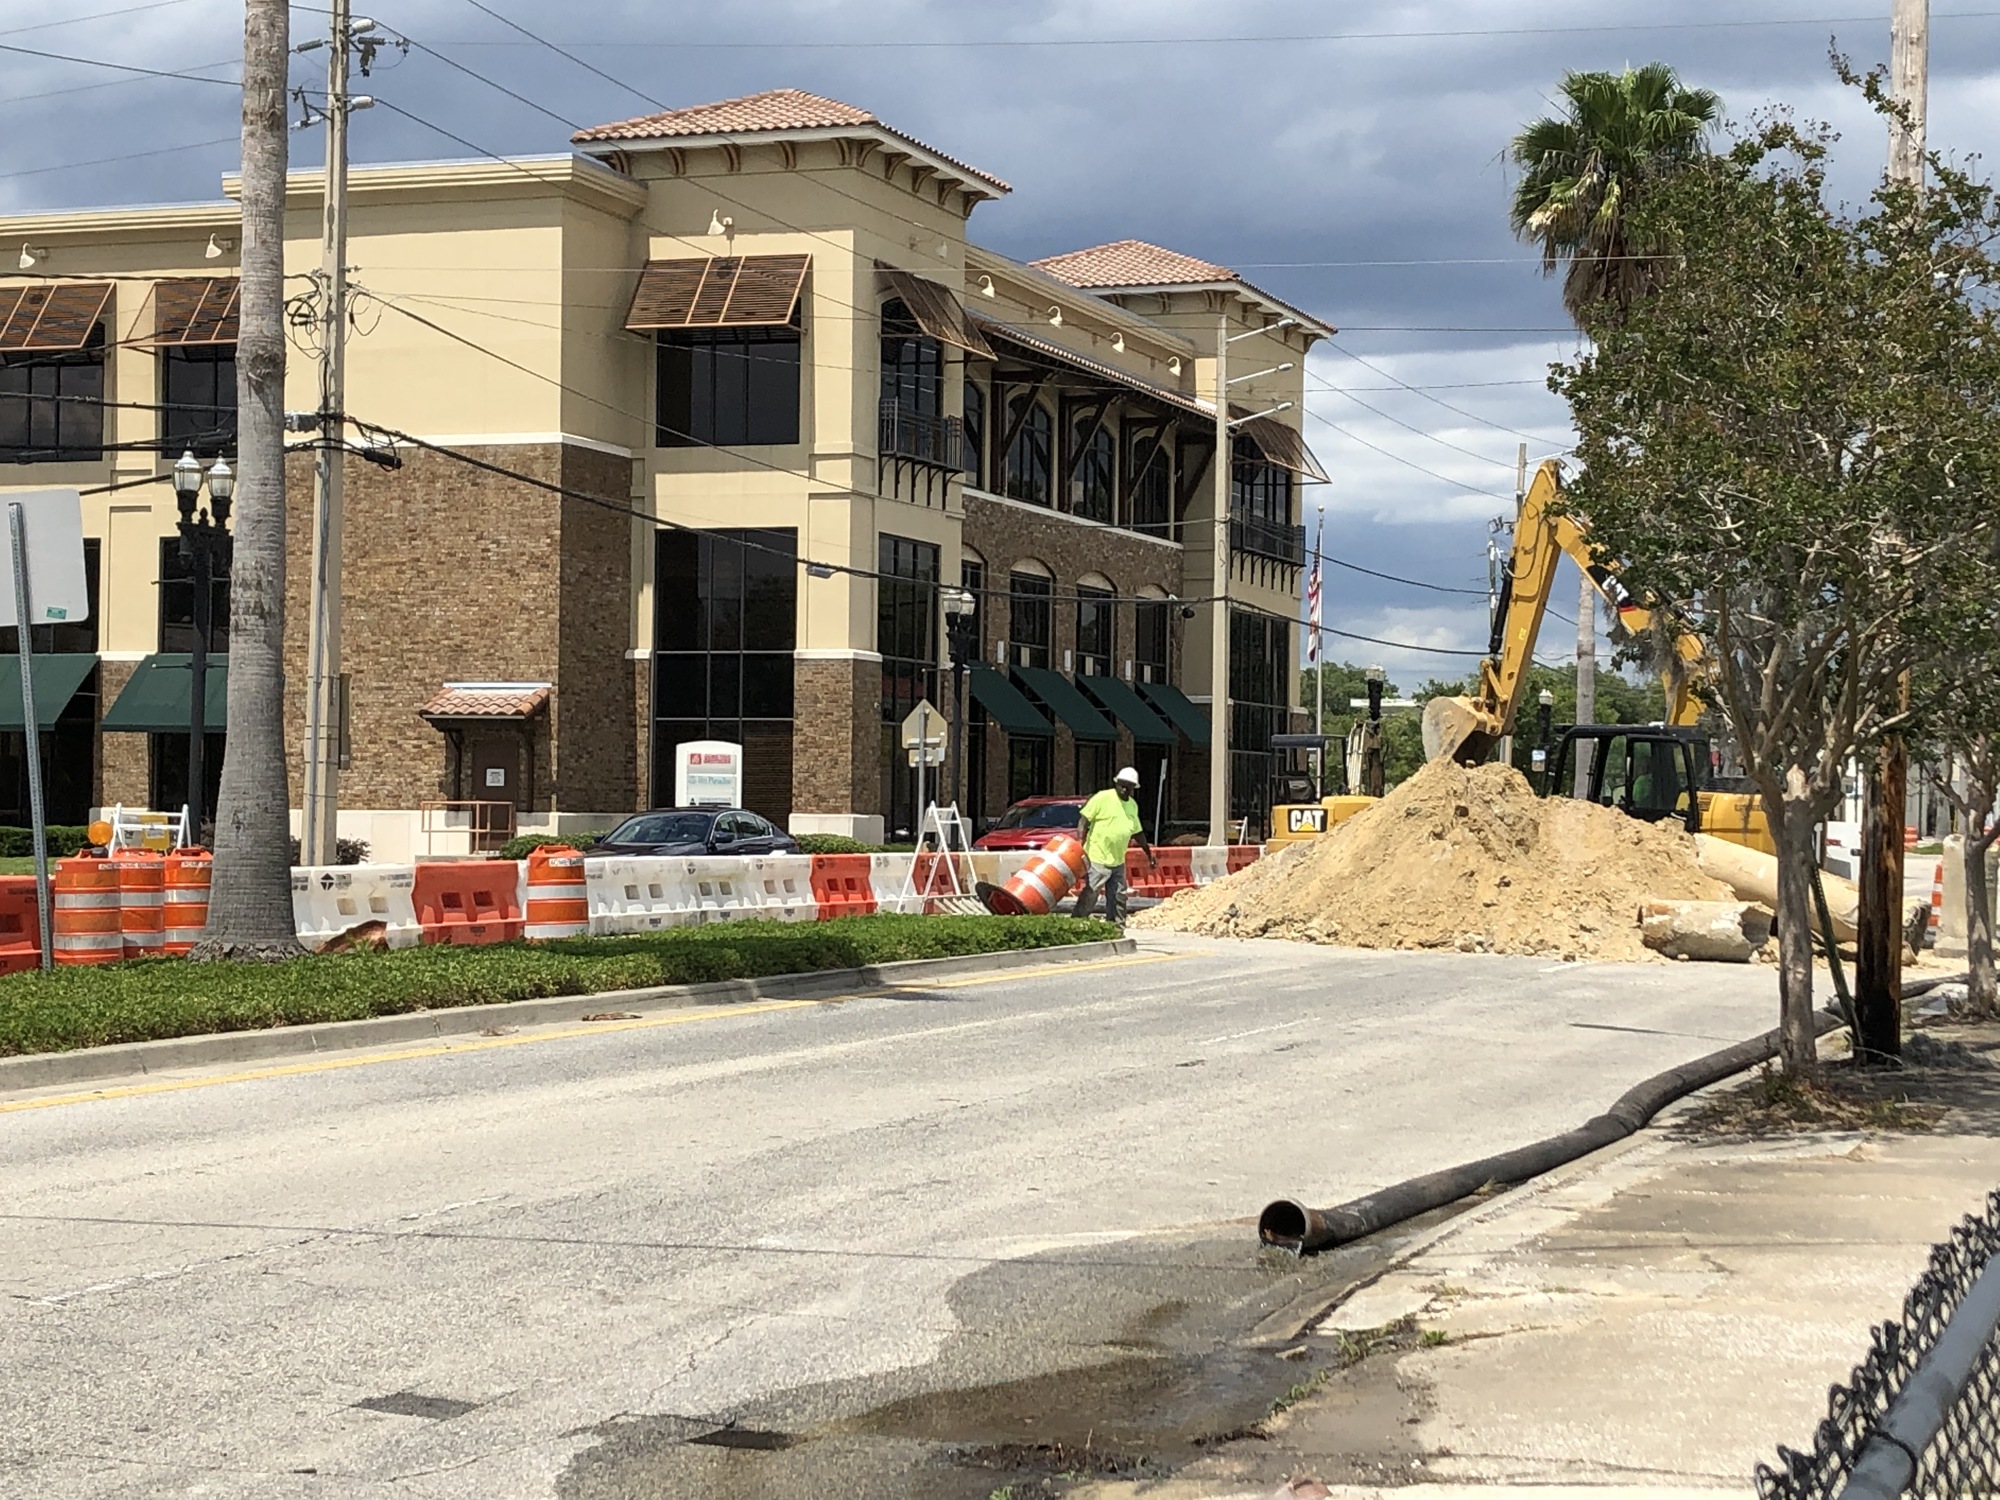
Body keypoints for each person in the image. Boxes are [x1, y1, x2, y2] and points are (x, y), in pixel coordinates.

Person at [1073, 767, 1155, 924]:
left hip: (1118, 859)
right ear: (1116, 783)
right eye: (1122, 785)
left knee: (1118, 895)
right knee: (1091, 892)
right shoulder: (1102, 798)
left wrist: (1149, 854)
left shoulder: (1132, 805)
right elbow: (1084, 820)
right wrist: (1079, 844)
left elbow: (1137, 832)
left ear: (1133, 788)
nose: (1124, 789)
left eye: (1128, 786)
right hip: (1097, 856)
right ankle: (1077, 923)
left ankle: (1116, 928)